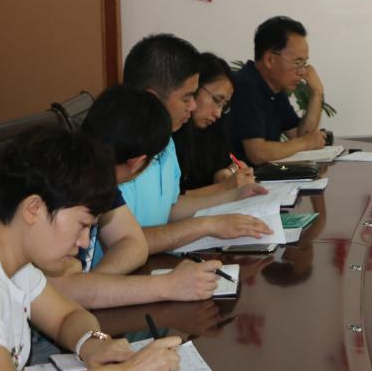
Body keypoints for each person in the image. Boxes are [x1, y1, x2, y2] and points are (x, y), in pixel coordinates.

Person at [0, 126, 182, 371]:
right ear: (34, 209)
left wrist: (95, 342)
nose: (84, 242)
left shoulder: (12, 258)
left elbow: (66, 317)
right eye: (82, 225)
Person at [0, 86, 224, 310]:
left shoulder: (89, 171)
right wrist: (167, 286)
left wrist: (89, 282)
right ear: (138, 162)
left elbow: (133, 243)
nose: (82, 240)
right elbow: (62, 291)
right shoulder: (64, 182)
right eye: (82, 225)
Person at [120, 34, 273, 254]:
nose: (192, 106)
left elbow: (170, 208)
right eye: (186, 98)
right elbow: (123, 242)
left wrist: (235, 195)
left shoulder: (166, 142)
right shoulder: (120, 152)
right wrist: (209, 225)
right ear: (152, 98)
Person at [229, 17, 328, 165]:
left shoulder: (275, 89)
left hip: (262, 175)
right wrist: (306, 143)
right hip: (238, 177)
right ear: (269, 60)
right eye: (297, 63)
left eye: (304, 63)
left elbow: (299, 135)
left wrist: (316, 93)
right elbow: (257, 153)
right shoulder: (246, 85)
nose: (302, 72)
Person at [174, 52, 255, 193]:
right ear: (194, 87)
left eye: (224, 105)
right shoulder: (172, 131)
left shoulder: (216, 127)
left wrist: (228, 172)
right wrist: (223, 187)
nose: (218, 113)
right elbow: (172, 201)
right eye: (217, 100)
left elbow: (231, 163)